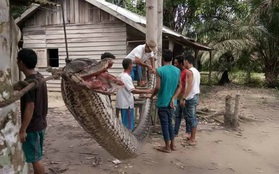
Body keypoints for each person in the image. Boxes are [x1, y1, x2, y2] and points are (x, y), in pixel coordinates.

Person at [16, 48, 48, 174]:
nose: (17, 63)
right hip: (41, 123)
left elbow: (30, 106)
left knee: (36, 159)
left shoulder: (29, 84)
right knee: (37, 155)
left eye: (17, 60)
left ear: (22, 63)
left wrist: (23, 129)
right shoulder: (40, 78)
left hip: (33, 126)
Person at [150, 50, 181, 153]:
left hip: (163, 101)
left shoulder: (160, 70)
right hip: (172, 102)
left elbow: (157, 87)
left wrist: (152, 95)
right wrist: (174, 97)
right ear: (172, 59)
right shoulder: (177, 70)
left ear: (163, 59)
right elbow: (179, 86)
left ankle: (167, 147)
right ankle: (173, 144)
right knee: (170, 123)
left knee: (165, 124)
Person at [116, 58, 153, 131]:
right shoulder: (127, 77)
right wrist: (147, 91)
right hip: (127, 105)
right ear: (130, 66)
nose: (133, 66)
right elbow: (133, 91)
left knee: (124, 123)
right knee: (129, 126)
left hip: (122, 103)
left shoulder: (120, 75)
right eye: (132, 65)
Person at [180, 53, 200, 146]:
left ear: (186, 61)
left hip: (191, 97)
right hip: (195, 95)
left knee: (192, 118)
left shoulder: (189, 72)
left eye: (184, 61)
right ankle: (192, 136)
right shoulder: (196, 71)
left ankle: (193, 138)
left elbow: (190, 85)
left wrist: (184, 97)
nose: (183, 63)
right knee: (191, 117)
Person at [173, 55, 191, 138]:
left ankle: (188, 131)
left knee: (186, 115)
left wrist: (184, 97)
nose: (175, 64)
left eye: (176, 63)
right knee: (177, 115)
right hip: (178, 96)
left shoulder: (186, 72)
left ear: (180, 63)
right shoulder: (177, 72)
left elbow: (187, 86)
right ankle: (175, 131)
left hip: (183, 97)